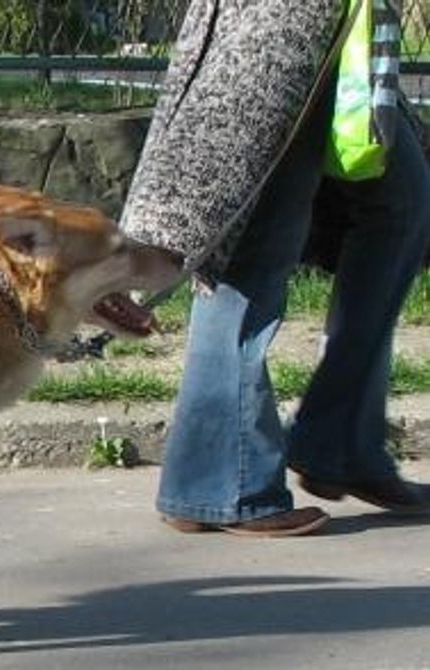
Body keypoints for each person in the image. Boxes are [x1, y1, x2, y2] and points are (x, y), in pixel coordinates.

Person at [118, 0, 430, 536]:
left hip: (335, 25)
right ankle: (220, 482)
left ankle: (339, 443)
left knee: (401, 208)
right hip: (278, 29)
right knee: (253, 248)